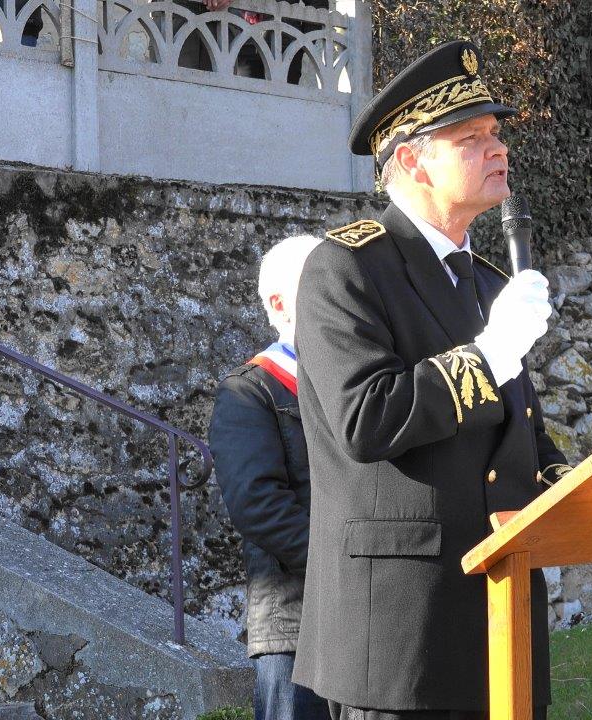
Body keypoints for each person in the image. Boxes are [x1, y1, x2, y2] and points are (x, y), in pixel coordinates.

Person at [291, 40, 571, 720]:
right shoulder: (345, 269)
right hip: (399, 630)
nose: (497, 148)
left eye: (496, 134)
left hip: (497, 616)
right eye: (471, 138)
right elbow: (367, 418)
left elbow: (515, 432)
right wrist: (491, 353)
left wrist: (578, 487)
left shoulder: (487, 278)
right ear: (412, 160)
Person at [209, 235, 331, 720]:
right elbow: (258, 506)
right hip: (295, 623)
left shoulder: (361, 385)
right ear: (280, 303)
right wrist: (345, 565)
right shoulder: (248, 392)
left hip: (366, 616)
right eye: (322, 285)